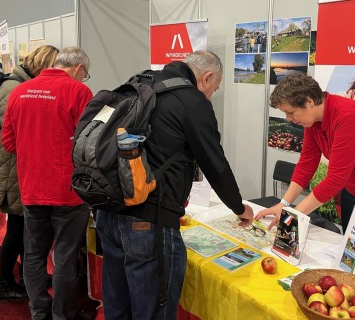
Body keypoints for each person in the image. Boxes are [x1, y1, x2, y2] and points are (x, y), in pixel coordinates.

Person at [95, 50, 254, 319]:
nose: (210, 96)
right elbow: (215, 164)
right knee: (153, 311)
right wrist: (240, 208)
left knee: (118, 306)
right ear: (207, 77)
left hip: (108, 211)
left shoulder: (140, 82)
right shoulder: (192, 100)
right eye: (213, 89)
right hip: (149, 222)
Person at [255, 73, 355, 259]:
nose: (288, 119)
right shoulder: (312, 122)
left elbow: (335, 180)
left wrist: (292, 218)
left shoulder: (348, 115)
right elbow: (306, 165)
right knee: (353, 261)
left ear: (309, 102)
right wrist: (284, 204)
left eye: (290, 112)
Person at [1, 47, 93, 320]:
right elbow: (89, 145)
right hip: (67, 191)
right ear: (78, 69)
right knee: (65, 256)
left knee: (33, 254)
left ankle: (38, 312)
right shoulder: (79, 92)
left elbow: (8, 142)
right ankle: (62, 314)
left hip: (32, 186)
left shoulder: (20, 91)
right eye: (85, 75)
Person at [0, 45, 60, 301]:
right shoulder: (14, 88)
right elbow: (13, 131)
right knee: (18, 227)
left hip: (15, 167)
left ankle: (27, 276)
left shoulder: (18, 86)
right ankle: (5, 282)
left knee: (24, 227)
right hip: (12, 168)